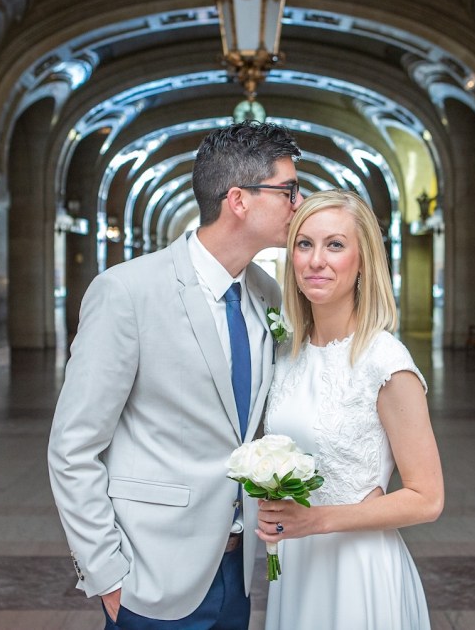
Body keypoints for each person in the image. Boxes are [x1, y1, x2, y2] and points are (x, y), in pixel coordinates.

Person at [47, 121, 303, 629]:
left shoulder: (267, 293)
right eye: (289, 190)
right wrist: (107, 575)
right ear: (239, 199)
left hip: (237, 567)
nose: (299, 203)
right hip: (151, 576)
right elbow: (72, 446)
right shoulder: (127, 292)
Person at [257, 189, 444, 630]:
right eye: (305, 244)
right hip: (298, 565)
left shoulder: (384, 362)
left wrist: (316, 520)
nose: (316, 260)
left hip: (358, 570)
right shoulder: (287, 353)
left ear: (364, 261)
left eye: (335, 245)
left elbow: (428, 498)